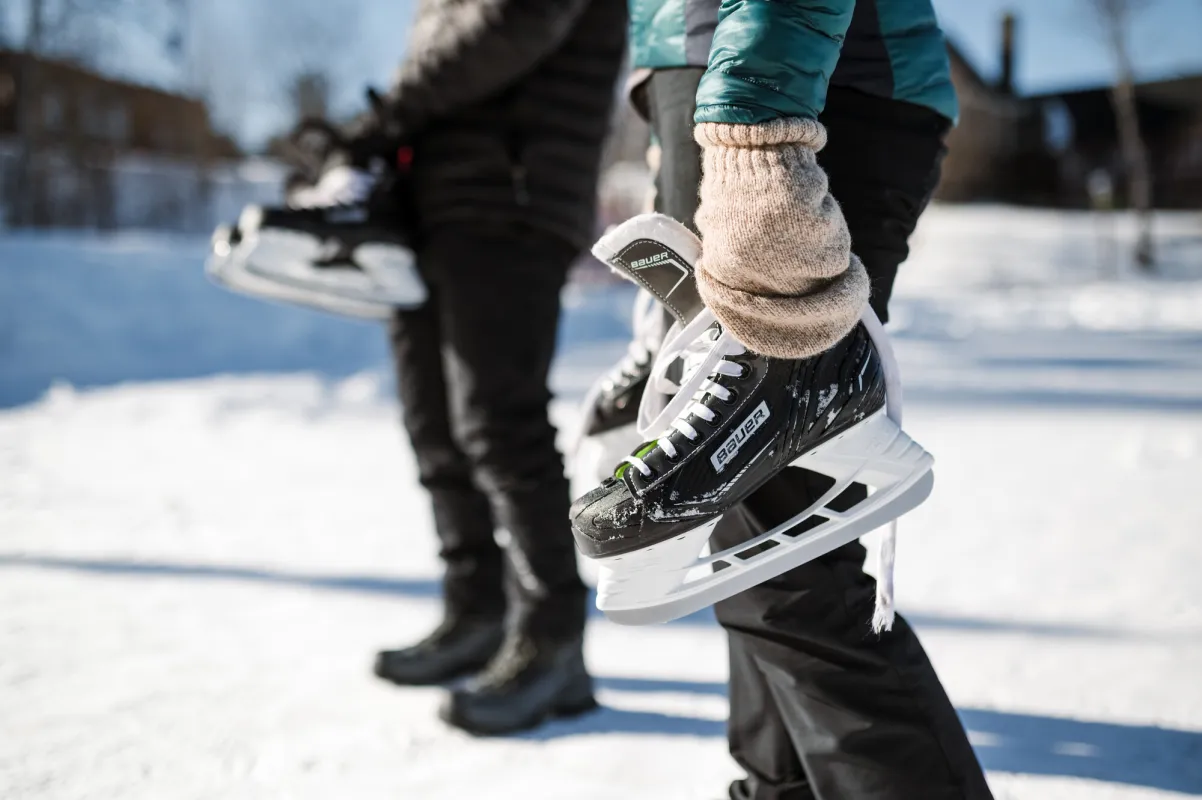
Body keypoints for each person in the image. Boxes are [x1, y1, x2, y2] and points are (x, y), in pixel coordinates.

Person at [571, 0, 996, 797]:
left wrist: (756, 136)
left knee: (785, 553)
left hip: (806, 77)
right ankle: (778, 789)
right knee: (749, 548)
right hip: (709, 76)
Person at [218, 0, 627, 735]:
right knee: (433, 425)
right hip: (428, 205)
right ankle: (476, 610)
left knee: (500, 424)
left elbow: (518, 24)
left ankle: (553, 638)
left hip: (511, 194)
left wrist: (382, 119)